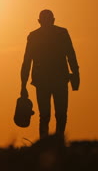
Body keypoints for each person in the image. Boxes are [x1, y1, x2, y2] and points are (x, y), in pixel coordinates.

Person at [20, 9, 80, 139]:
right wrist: (75, 74)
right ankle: (54, 141)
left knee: (48, 115)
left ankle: (48, 141)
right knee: (58, 114)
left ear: (39, 21)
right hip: (54, 80)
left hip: (48, 80)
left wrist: (23, 85)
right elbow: (71, 55)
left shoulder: (37, 36)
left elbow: (26, 61)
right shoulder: (60, 34)